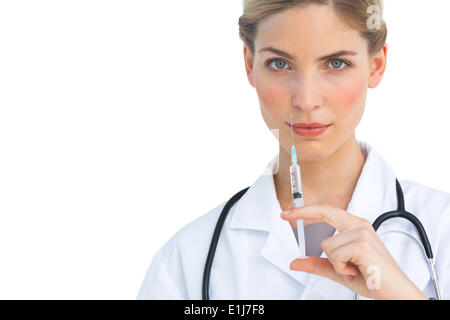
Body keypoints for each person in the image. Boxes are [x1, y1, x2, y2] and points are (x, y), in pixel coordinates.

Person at [136, 0, 450, 300]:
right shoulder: (186, 259)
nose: (306, 99)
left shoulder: (442, 227)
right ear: (249, 65)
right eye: (280, 64)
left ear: (376, 66)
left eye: (336, 63)